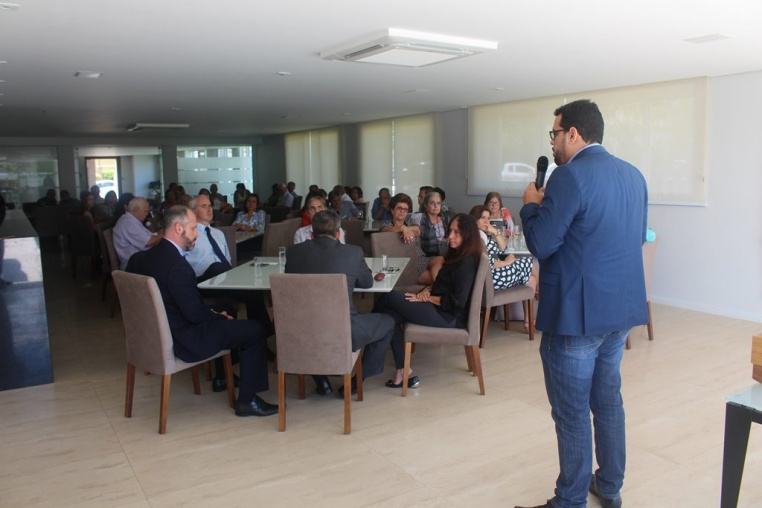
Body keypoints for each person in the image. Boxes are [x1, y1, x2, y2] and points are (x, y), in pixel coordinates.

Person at [514, 99, 648, 508]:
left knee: (571, 412)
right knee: (607, 401)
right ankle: (609, 486)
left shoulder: (569, 177)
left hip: (575, 317)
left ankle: (570, 501)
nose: (552, 143)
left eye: (555, 134)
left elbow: (541, 243)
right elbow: (635, 239)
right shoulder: (634, 176)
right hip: (619, 311)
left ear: (573, 133)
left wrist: (530, 205)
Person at [126, 205, 277, 418]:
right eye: (193, 228)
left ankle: (223, 376)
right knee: (255, 329)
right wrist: (216, 315)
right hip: (184, 339)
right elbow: (195, 315)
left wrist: (218, 312)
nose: (197, 234)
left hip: (155, 335)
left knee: (226, 308)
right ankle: (247, 401)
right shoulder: (178, 266)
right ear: (178, 228)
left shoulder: (139, 259)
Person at [285, 210, 394, 396]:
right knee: (389, 322)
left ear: (311, 234)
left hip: (302, 330)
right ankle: (356, 381)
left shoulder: (293, 253)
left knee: (314, 323)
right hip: (344, 331)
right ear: (338, 234)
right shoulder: (353, 253)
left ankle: (321, 381)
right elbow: (367, 283)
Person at [376, 213, 482, 389]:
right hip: (440, 308)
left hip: (448, 316)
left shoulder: (466, 264)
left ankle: (366, 346)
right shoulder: (457, 255)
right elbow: (443, 284)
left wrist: (427, 298)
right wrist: (427, 290)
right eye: (450, 231)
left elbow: (456, 303)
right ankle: (402, 370)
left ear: (468, 234)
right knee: (389, 315)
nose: (450, 236)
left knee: (389, 297)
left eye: (456, 232)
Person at [470, 205, 536, 331]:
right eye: (483, 218)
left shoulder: (482, 235)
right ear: (474, 219)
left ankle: (528, 320)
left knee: (531, 279)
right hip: (492, 279)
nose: (486, 221)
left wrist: (496, 233)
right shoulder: (477, 237)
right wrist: (506, 262)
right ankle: (539, 296)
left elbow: (504, 249)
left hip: (493, 276)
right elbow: (486, 262)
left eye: (488, 218)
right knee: (528, 262)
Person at [112, 197, 163, 270]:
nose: (147, 214)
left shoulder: (133, 220)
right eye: (145, 211)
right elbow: (148, 242)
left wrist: (159, 234)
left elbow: (150, 236)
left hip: (142, 259)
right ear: (136, 210)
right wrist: (163, 234)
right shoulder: (128, 222)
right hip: (134, 265)